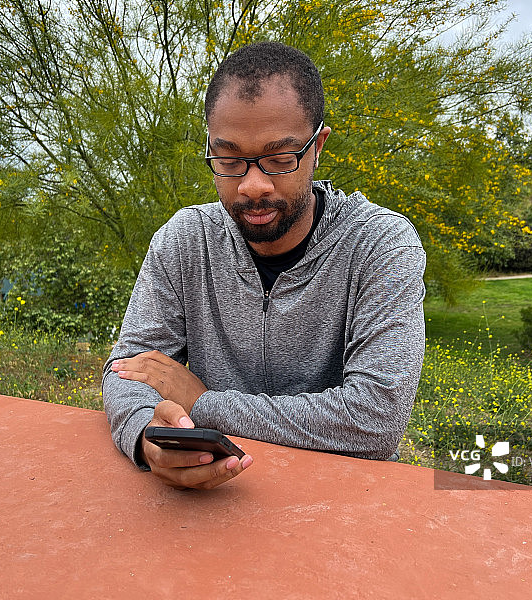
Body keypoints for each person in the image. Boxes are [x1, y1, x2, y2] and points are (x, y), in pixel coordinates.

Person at [102, 42, 426, 489]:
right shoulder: (185, 240)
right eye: (229, 160)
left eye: (279, 159)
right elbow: (130, 368)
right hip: (217, 501)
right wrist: (146, 438)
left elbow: (376, 419)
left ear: (318, 146)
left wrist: (204, 404)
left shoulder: (380, 244)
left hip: (347, 502)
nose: (252, 186)